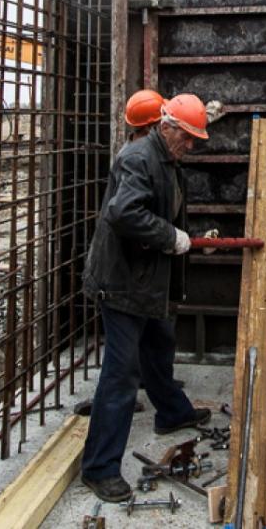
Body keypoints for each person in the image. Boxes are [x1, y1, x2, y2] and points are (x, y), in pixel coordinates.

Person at [79, 94, 214, 502]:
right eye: (186, 137)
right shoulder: (139, 158)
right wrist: (170, 237)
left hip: (146, 279)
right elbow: (124, 213)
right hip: (122, 283)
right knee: (121, 375)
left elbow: (161, 210)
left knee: (158, 346)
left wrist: (187, 239)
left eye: (195, 139)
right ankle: (99, 468)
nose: (190, 146)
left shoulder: (166, 157)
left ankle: (172, 412)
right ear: (165, 126)